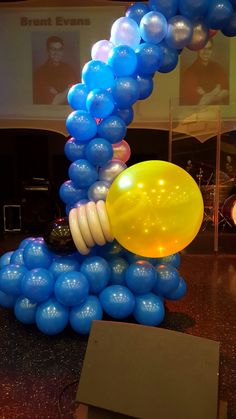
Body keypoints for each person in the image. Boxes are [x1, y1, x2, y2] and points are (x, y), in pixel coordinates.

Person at [180, 39, 229, 106]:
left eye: (209, 49)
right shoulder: (189, 72)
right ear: (197, 50)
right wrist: (215, 91)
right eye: (202, 48)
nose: (206, 52)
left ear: (212, 50)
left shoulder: (218, 68)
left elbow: (226, 91)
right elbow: (200, 103)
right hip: (197, 114)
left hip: (217, 112)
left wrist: (206, 95)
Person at [33, 36, 78, 105]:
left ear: (62, 51)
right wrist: (68, 89)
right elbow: (54, 102)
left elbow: (77, 95)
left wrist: (59, 94)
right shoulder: (39, 73)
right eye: (53, 49)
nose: (56, 53)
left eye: (59, 49)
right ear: (48, 50)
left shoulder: (69, 69)